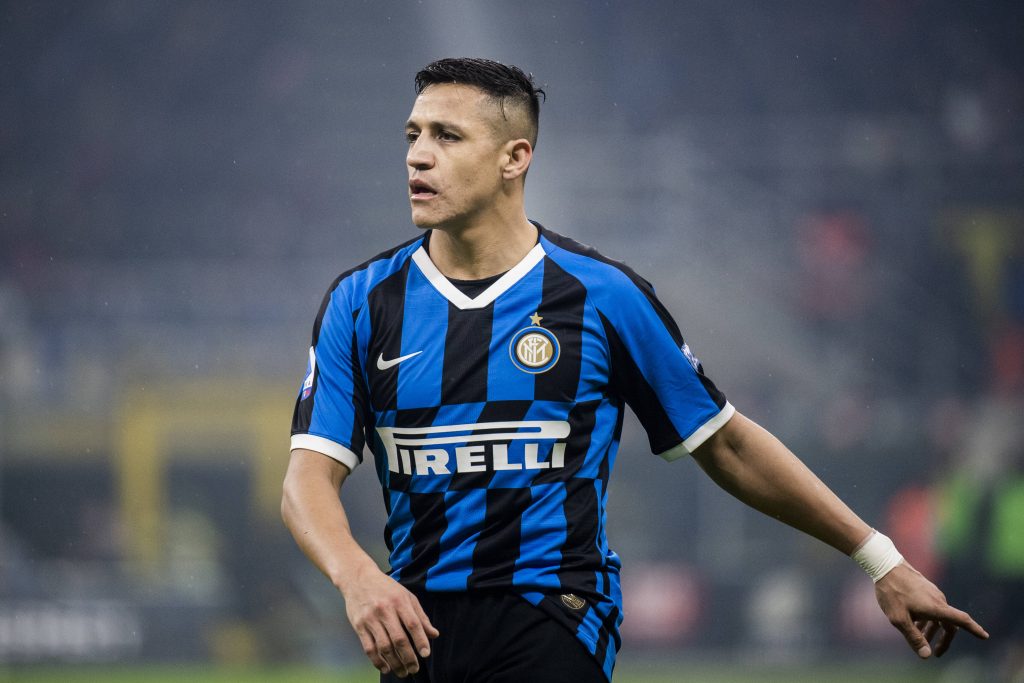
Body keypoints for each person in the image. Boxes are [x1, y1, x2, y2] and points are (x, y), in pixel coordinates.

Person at [281, 57, 988, 681]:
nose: (418, 156)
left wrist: (880, 560)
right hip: (412, 628)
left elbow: (726, 443)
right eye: (412, 135)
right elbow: (306, 479)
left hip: (553, 614)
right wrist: (357, 577)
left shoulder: (602, 297)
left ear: (514, 157)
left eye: (447, 136)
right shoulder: (362, 303)